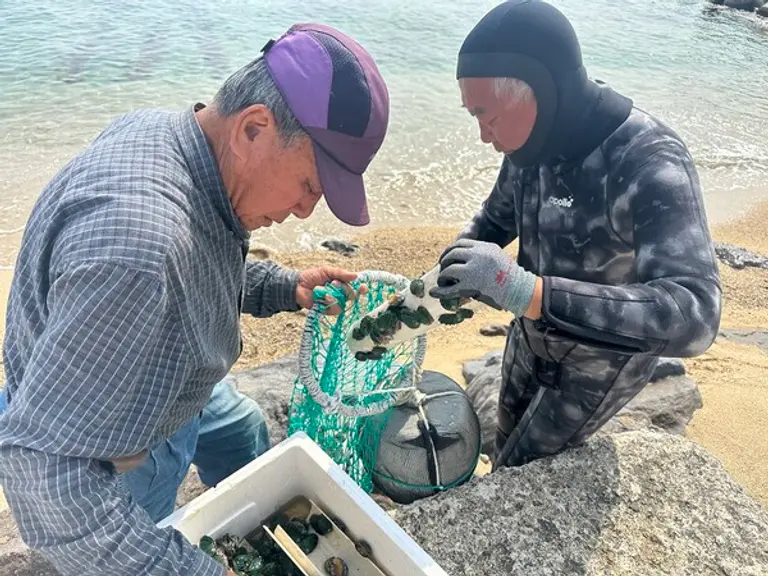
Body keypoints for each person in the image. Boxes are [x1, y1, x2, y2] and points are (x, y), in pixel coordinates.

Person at [0, 23, 389, 576]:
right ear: (254, 128)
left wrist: (282, 286)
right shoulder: (141, 246)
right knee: (143, 530)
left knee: (246, 433)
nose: (307, 211)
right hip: (119, 427)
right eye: (310, 185)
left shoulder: (170, 135)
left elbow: (197, 262)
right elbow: (49, 480)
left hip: (177, 382)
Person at [430, 0, 722, 469]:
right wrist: (448, 271)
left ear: (539, 94)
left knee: (526, 471)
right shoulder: (531, 141)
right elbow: (494, 219)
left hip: (596, 366)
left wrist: (527, 290)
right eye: (474, 119)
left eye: (488, 117)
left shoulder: (648, 161)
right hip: (528, 338)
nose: (484, 136)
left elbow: (696, 313)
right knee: (503, 448)